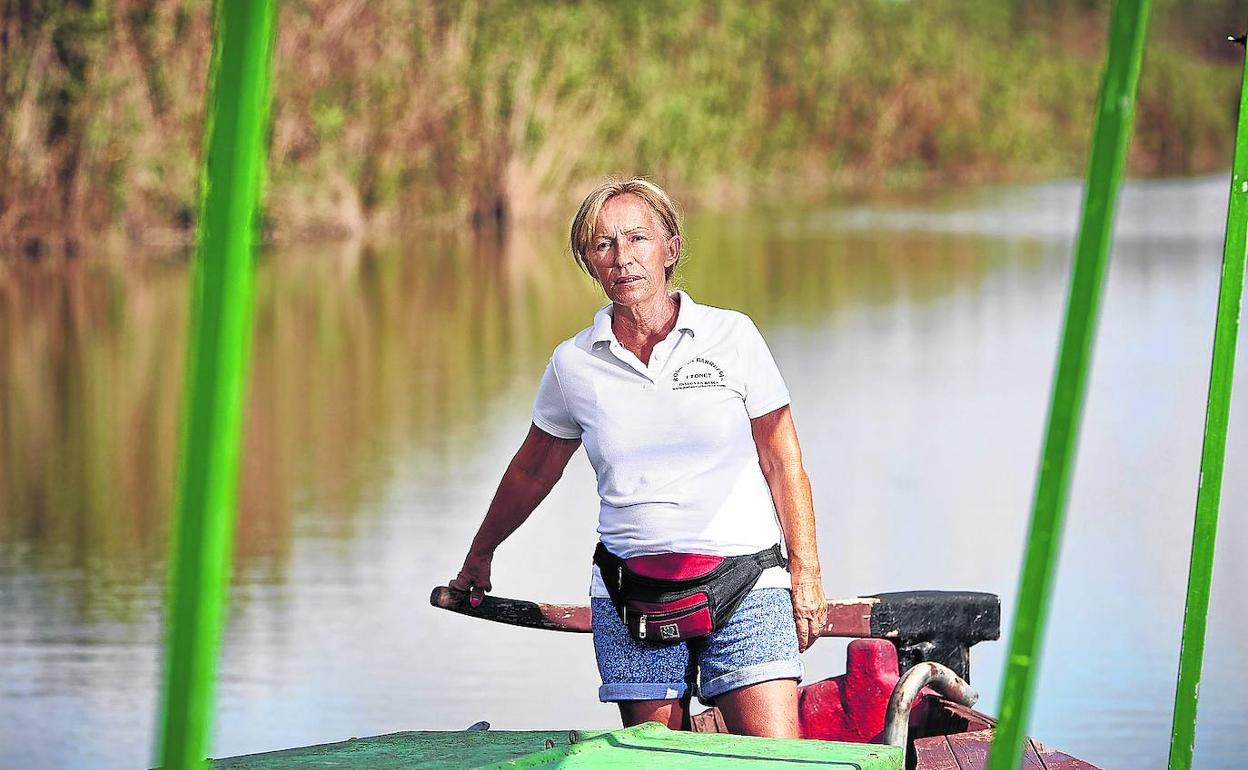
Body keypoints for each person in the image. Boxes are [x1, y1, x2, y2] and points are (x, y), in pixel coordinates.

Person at [449, 178, 825, 737]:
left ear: (670, 248)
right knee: (656, 757)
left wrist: (807, 571)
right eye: (603, 245)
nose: (622, 258)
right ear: (590, 263)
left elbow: (781, 456)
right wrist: (480, 555)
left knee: (778, 758)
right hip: (632, 594)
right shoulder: (573, 364)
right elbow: (532, 470)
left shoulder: (732, 337)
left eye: (637, 239)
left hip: (746, 582)